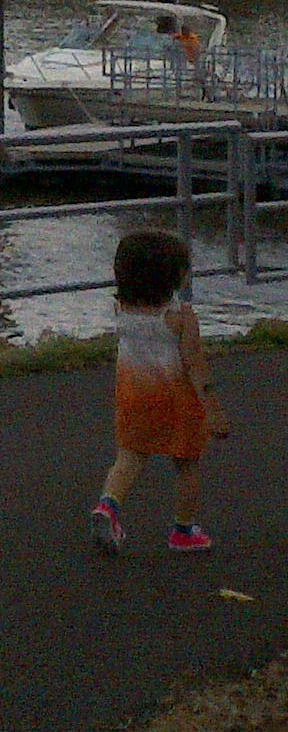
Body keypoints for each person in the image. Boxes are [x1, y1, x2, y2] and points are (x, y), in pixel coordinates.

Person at [89, 228, 227, 554]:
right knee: (186, 462)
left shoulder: (122, 310)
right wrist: (213, 409)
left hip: (132, 392)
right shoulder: (179, 317)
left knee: (130, 456)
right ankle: (183, 530)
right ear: (171, 276)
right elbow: (195, 364)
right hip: (176, 397)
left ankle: (108, 505)